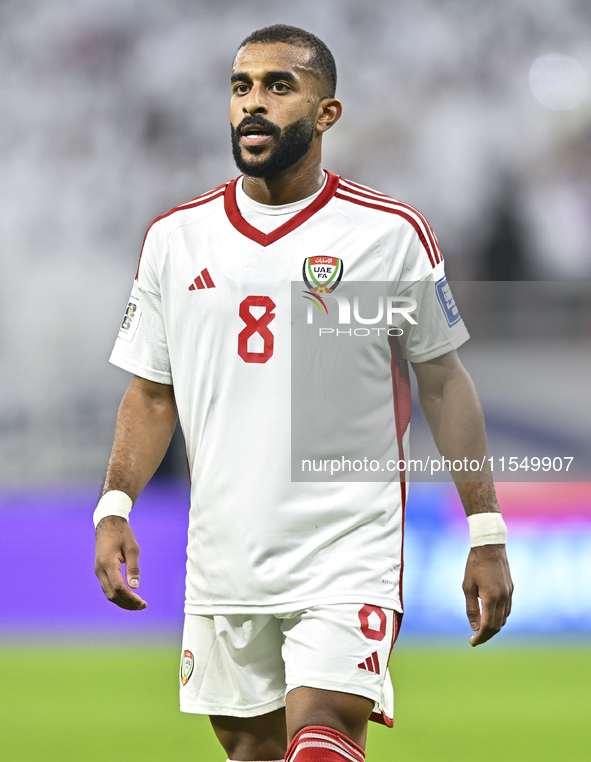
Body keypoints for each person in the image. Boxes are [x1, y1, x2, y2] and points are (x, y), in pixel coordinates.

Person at [94, 24, 513, 762]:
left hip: (347, 547)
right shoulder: (175, 237)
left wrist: (485, 531)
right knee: (253, 752)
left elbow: (443, 382)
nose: (254, 103)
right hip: (226, 555)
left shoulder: (388, 234)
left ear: (327, 114)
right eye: (240, 86)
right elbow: (151, 393)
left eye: (279, 86)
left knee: (323, 728)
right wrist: (115, 503)